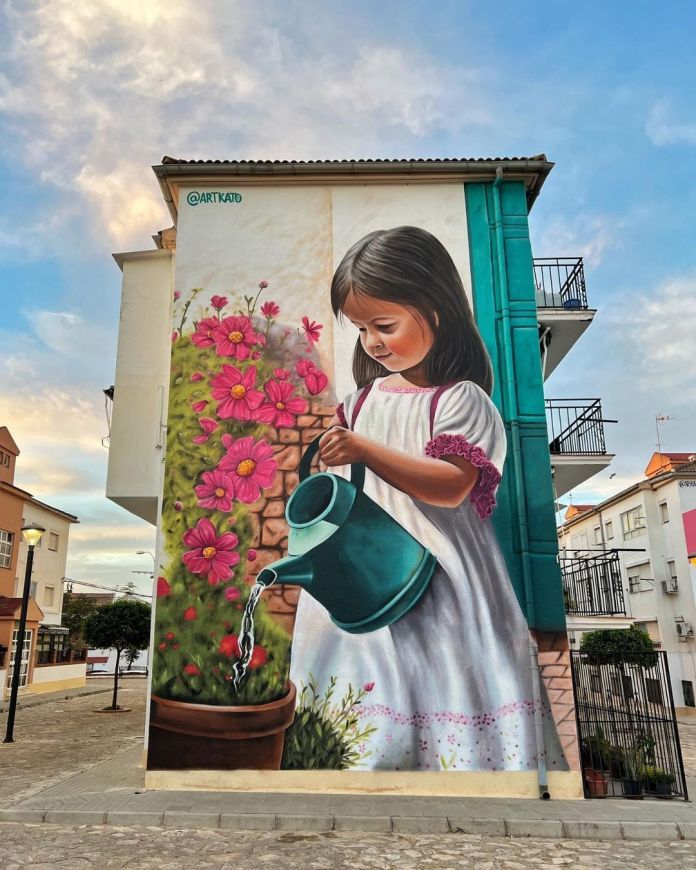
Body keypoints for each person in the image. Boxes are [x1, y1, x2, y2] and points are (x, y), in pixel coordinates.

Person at [289, 226, 561, 772]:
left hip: (439, 567)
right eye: (363, 329)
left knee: (437, 665)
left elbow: (453, 484)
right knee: (359, 664)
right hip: (364, 556)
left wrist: (363, 448)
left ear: (435, 311)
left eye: (384, 325)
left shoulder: (462, 399)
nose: (372, 342)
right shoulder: (361, 400)